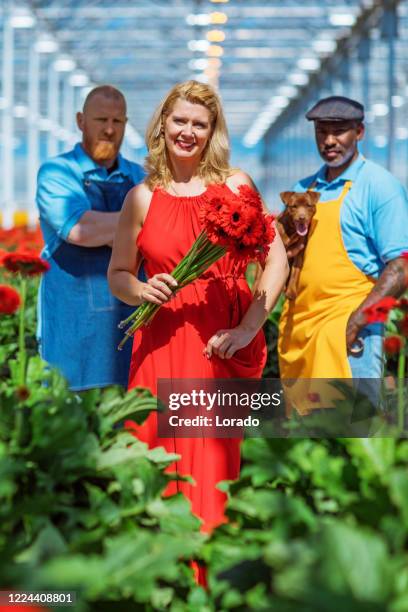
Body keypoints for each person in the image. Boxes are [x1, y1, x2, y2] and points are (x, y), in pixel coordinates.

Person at [108, 80, 288, 537]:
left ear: (213, 132)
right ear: (162, 124)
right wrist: (140, 292)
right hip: (159, 344)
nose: (187, 131)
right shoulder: (141, 198)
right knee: (154, 464)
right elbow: (119, 274)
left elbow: (276, 258)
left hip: (218, 347)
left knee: (213, 472)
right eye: (180, 120)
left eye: (199, 124)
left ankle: (208, 583)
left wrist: (249, 329)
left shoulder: (235, 186)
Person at [279, 95, 408, 387]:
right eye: (322, 131)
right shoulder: (304, 190)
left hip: (349, 335)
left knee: (350, 428)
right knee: (301, 430)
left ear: (359, 132)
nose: (329, 140)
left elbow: (400, 267)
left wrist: (356, 322)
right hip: (299, 334)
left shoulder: (379, 186)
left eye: (339, 131)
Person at [36, 85, 145, 391]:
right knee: (69, 421)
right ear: (81, 120)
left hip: (131, 320)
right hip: (73, 325)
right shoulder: (58, 172)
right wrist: (139, 225)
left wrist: (111, 230)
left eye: (118, 121)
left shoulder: (141, 177)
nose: (109, 130)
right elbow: (81, 230)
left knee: (132, 420)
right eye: (100, 120)